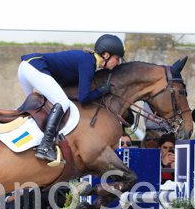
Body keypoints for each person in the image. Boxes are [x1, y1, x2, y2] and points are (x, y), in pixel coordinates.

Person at [18, 34, 125, 163]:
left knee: (36, 106)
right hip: (35, 67)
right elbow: (83, 98)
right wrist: (101, 91)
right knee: (62, 102)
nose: (118, 63)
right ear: (106, 55)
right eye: (117, 58)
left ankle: (23, 139)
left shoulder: (87, 60)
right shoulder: (89, 63)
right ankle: (45, 146)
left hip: (26, 67)